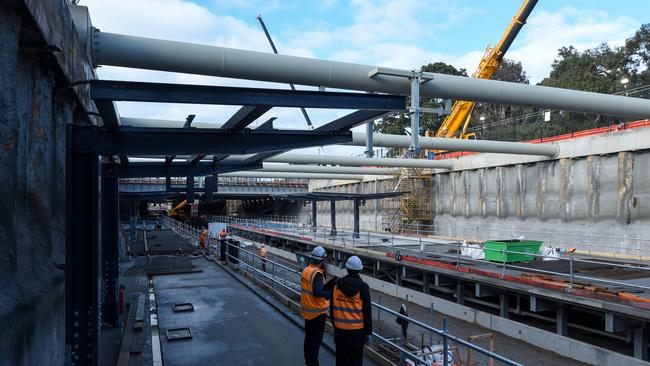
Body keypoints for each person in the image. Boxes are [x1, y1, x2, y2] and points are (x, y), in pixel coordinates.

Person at [331, 256, 372, 366]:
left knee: (340, 361)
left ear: (347, 268)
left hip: (340, 332)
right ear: (360, 270)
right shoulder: (363, 287)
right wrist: (368, 333)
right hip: (357, 334)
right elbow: (367, 312)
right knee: (356, 362)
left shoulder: (337, 285)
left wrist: (335, 326)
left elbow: (332, 308)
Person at [301, 246, 334, 366]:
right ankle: (313, 363)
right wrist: (331, 293)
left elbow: (311, 289)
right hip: (317, 313)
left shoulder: (307, 270)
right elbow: (317, 292)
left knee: (308, 339)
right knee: (315, 342)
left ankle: (309, 361)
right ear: (322, 260)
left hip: (308, 311)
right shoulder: (317, 274)